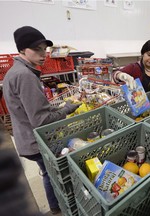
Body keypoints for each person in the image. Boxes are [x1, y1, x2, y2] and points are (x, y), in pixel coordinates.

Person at [3, 26, 80, 215]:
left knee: (47, 173)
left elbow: (32, 109)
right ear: (22, 50)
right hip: (34, 142)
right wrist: (68, 108)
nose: (43, 53)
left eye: (44, 48)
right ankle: (57, 208)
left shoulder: (16, 71)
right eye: (36, 49)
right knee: (52, 175)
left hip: (25, 138)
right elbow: (41, 120)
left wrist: (57, 108)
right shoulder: (25, 75)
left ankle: (55, 207)